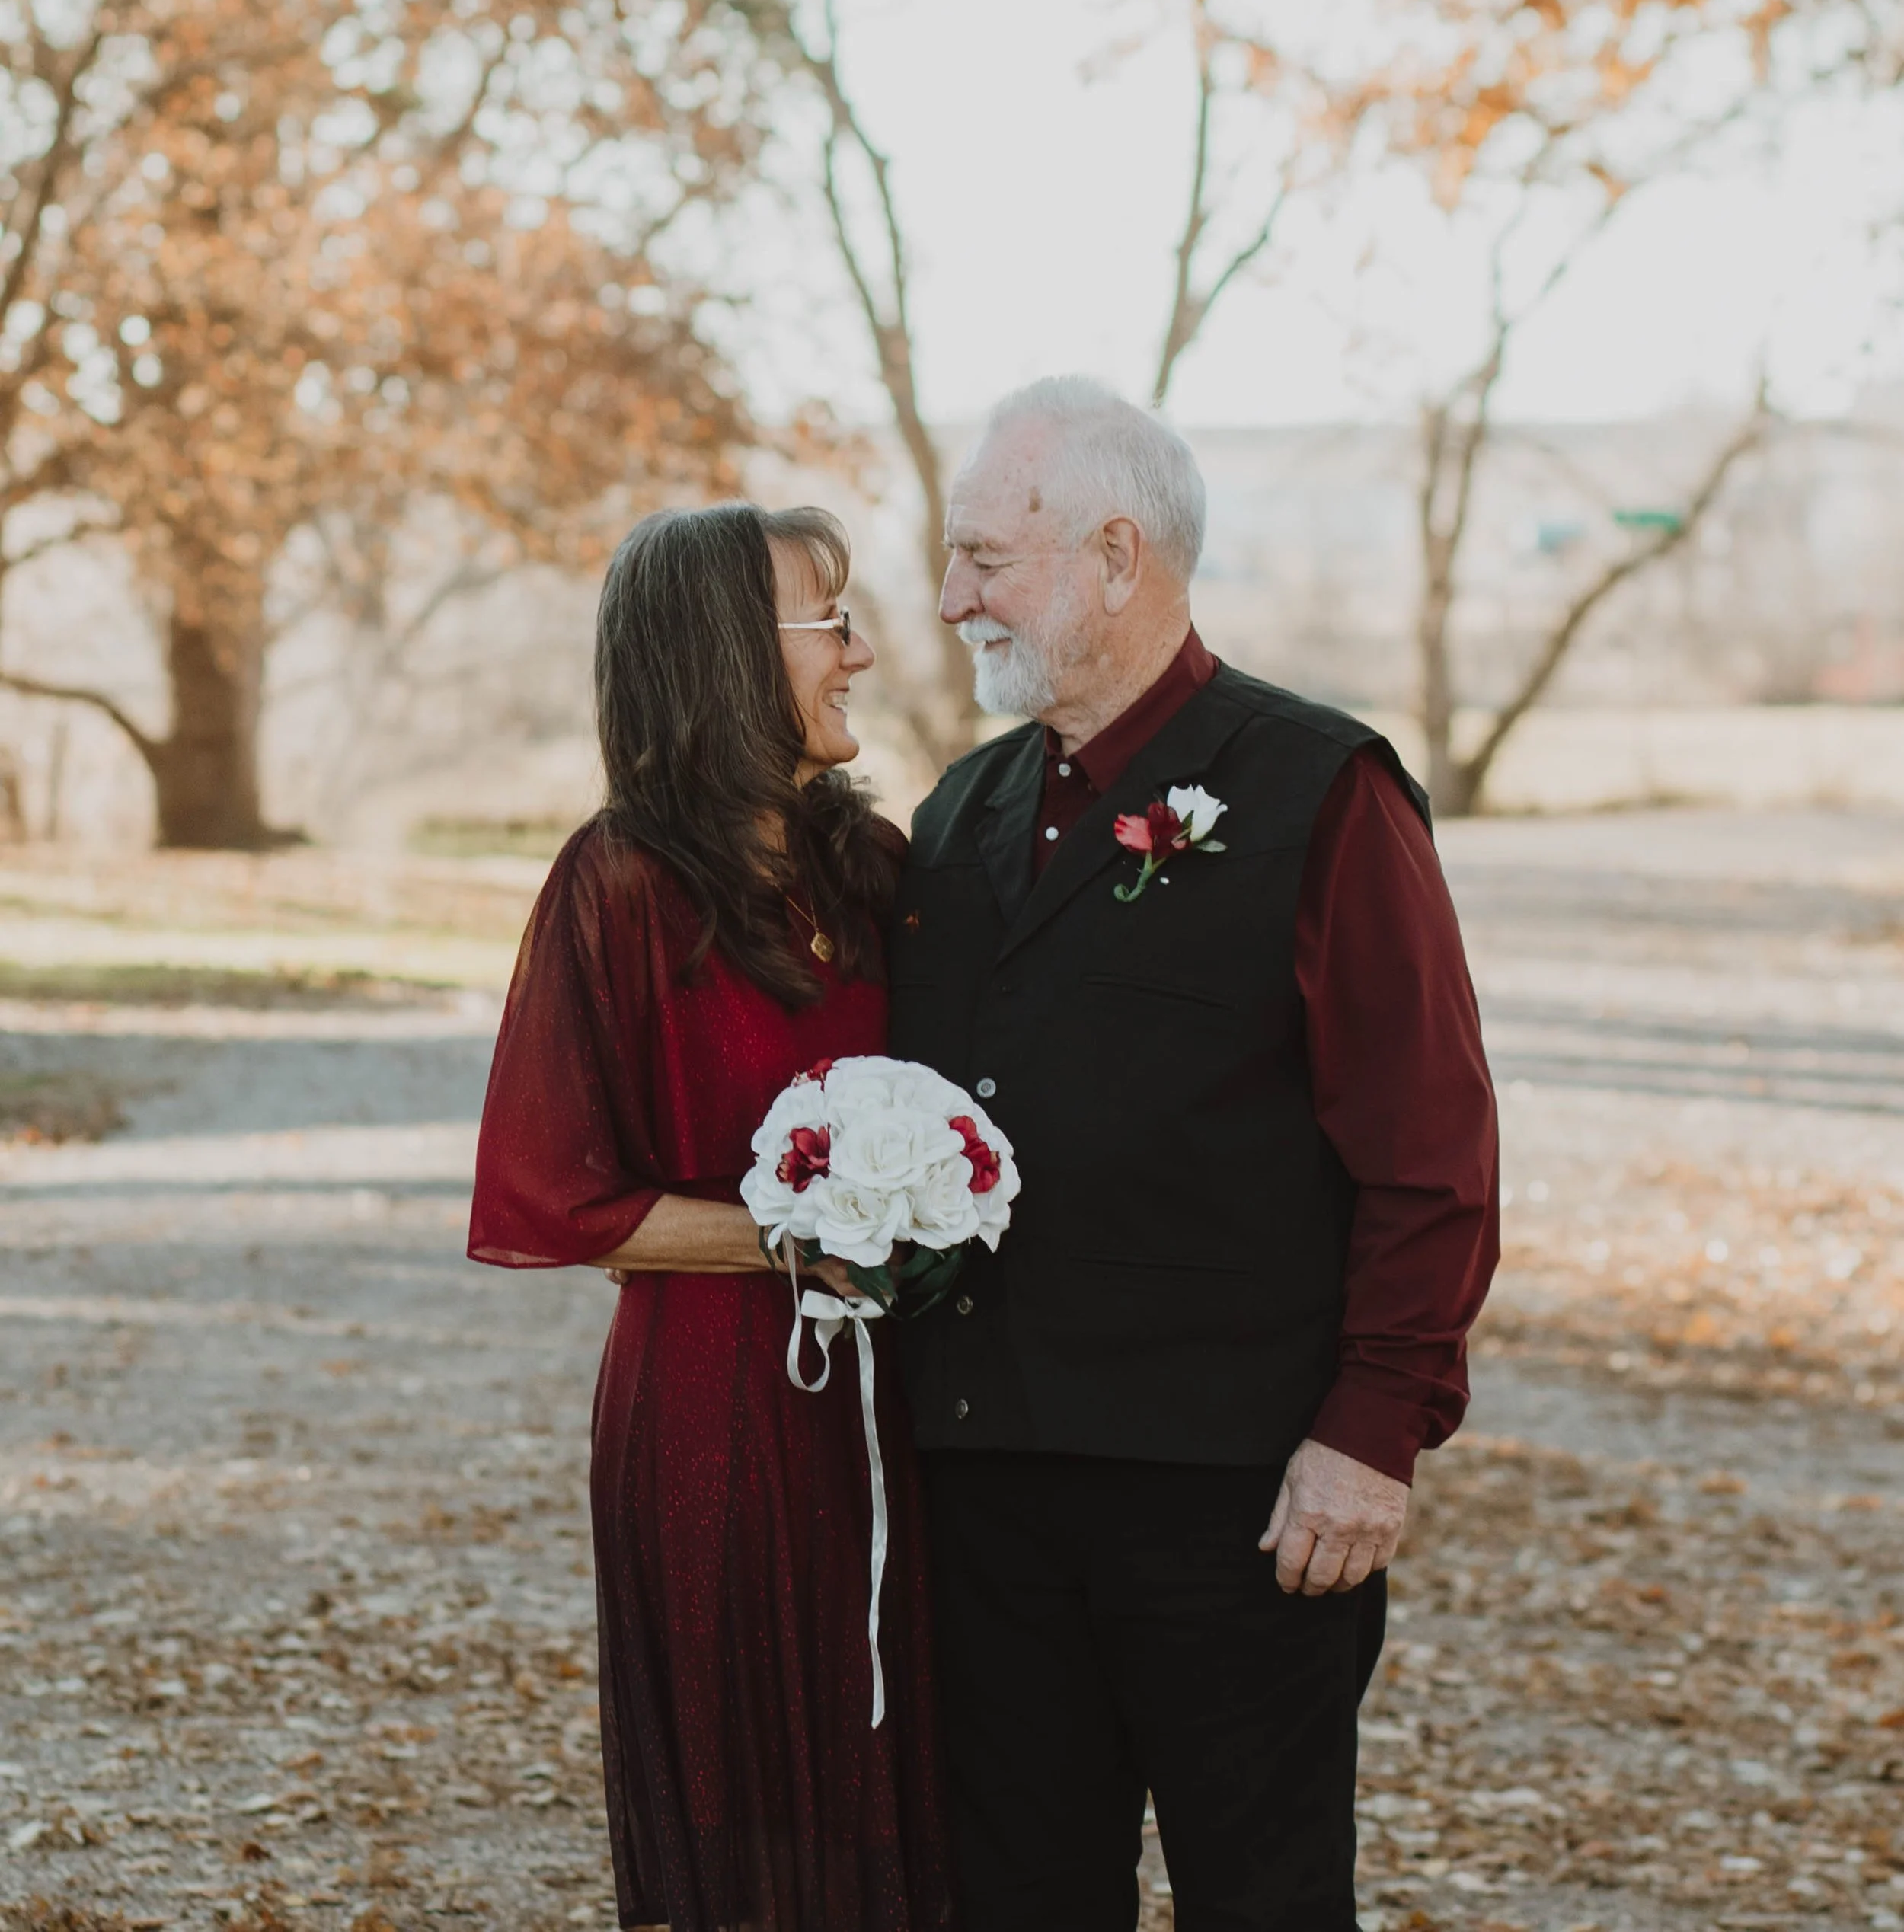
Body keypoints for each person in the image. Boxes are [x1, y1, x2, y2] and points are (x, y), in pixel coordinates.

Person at [890, 377, 1500, 1932]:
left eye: (979, 556)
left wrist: (1374, 1429)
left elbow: (1428, 1148)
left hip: (1239, 1501)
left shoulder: (1321, 790)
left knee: (1262, 1902)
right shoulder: (961, 810)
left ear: (1111, 555)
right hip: (986, 1492)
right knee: (1015, 1899)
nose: (947, 595)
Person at [468, 503, 954, 1932]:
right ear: (730, 656)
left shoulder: (869, 869)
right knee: (753, 1800)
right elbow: (565, 1201)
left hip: (898, 1413)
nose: (862, 652)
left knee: (904, 1761)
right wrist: (807, 1229)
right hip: (715, 1410)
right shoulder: (616, 883)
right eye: (832, 625)